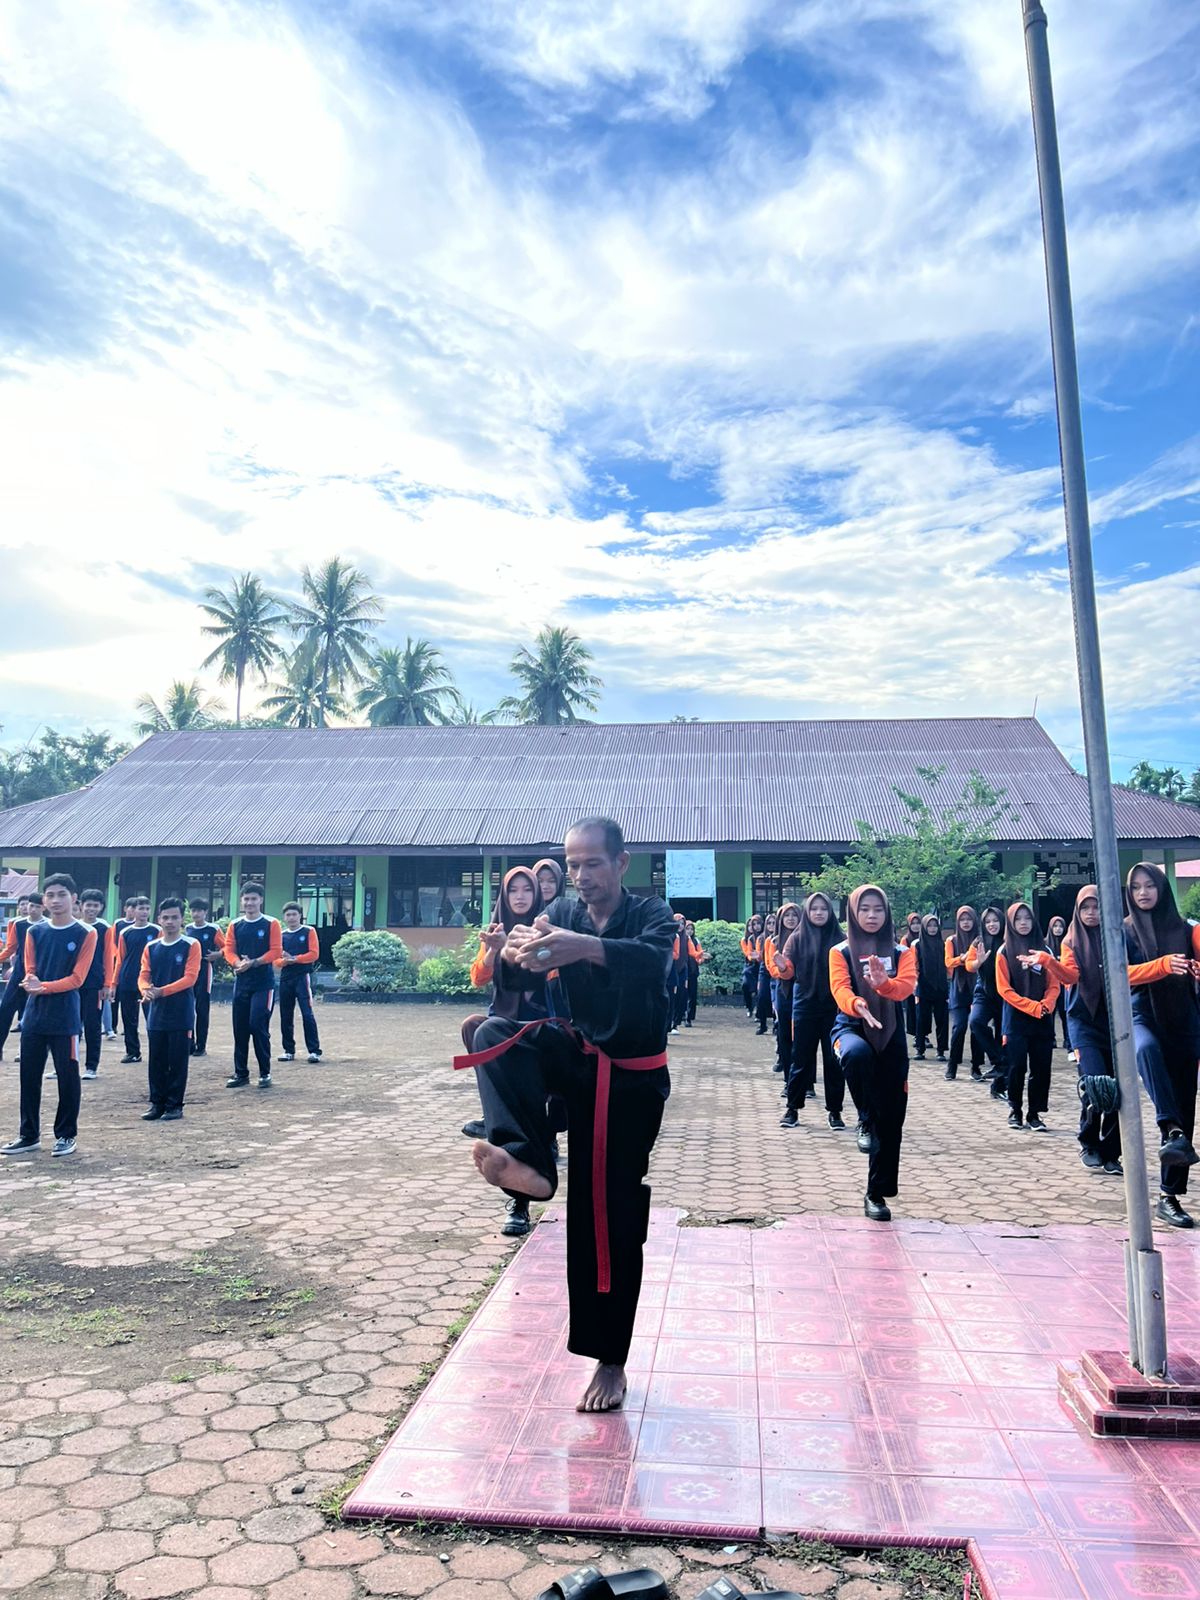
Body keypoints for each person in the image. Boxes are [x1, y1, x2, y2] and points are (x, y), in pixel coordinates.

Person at [461, 816, 675, 1413]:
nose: (581, 877)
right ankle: (529, 1161)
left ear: (621, 863)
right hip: (580, 1063)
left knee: (604, 1213)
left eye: (592, 865)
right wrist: (512, 952)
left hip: (632, 1083)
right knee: (496, 1030)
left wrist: (581, 947)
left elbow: (652, 962)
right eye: (572, 865)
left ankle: (611, 1359)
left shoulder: (651, 915)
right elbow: (518, 977)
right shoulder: (568, 917)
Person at [467, 866, 554, 1238]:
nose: (520, 896)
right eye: (513, 890)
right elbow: (478, 978)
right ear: (504, 895)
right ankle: (518, 1201)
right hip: (500, 1028)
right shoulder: (494, 930)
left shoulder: (549, 927)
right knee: (475, 1027)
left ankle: (525, 1190)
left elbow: (553, 976)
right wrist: (492, 951)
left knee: (528, 1111)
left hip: (539, 1030)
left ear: (537, 894)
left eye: (527, 889)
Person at [828, 885, 917, 1221]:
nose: (871, 915)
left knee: (891, 1119)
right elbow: (839, 988)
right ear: (853, 912)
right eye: (864, 909)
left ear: (887, 913)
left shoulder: (902, 951)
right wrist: (859, 1004)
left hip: (891, 1034)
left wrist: (883, 984)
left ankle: (875, 1194)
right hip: (850, 1025)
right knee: (856, 1055)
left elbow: (905, 987)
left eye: (878, 909)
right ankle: (863, 1118)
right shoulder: (840, 951)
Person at [1123, 862, 1200, 1228]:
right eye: (1136, 887)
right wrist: (1162, 965)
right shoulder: (1124, 931)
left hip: (1184, 1019)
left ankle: (1168, 1198)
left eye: (1149, 885)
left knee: (1186, 1107)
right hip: (1143, 1016)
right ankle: (1170, 1127)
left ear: (1162, 888)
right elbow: (1119, 974)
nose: (1143, 893)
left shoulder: (1186, 930)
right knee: (1145, 1050)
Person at [1, 873, 96, 1158]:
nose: (55, 900)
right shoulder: (34, 932)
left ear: (74, 898)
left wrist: (42, 987)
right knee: (29, 1075)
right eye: (50, 895)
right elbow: (30, 967)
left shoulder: (86, 933)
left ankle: (66, 1134)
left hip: (65, 1017)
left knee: (68, 1076)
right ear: (43, 900)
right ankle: (28, 1135)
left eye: (61, 895)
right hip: (34, 1016)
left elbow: (77, 979)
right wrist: (32, 981)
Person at [1040, 886, 1122, 1175]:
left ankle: (1112, 1152)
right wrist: (1048, 961)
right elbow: (1071, 976)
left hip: (1116, 1020)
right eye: (1085, 908)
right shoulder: (1070, 941)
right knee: (1097, 1083)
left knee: (1118, 1088)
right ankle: (1088, 1141)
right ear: (1078, 910)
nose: (1091, 913)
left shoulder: (1117, 936)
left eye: (1096, 907)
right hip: (1083, 1020)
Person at [779, 892, 845, 1129]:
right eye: (814, 908)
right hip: (805, 1005)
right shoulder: (796, 938)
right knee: (801, 1058)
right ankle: (792, 1109)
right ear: (807, 911)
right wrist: (781, 967)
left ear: (831, 912)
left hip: (834, 1007)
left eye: (823, 909)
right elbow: (787, 971)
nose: (818, 913)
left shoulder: (841, 938)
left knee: (834, 1060)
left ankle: (835, 1112)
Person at [996, 902, 1060, 1132]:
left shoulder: (1046, 951)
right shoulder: (1003, 952)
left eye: (1027, 918)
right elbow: (1004, 989)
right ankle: (1015, 1110)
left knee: (1041, 1068)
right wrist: (1031, 1006)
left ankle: (1035, 1114)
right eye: (1018, 919)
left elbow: (1054, 984)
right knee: (1017, 1066)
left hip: (1043, 1017)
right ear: (1011, 923)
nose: (1023, 923)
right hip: (1015, 1019)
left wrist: (1047, 1004)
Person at [139, 897, 201, 1121]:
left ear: (181, 919)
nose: (170, 922)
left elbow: (190, 978)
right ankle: (157, 1103)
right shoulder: (151, 947)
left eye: (174, 917)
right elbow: (144, 975)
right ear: (159, 920)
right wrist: (146, 990)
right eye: (165, 918)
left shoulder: (191, 945)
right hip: (156, 1012)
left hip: (181, 1012)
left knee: (177, 1060)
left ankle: (175, 1105)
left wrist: (161, 991)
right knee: (156, 1059)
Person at [223, 883, 283, 1088]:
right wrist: (237, 963)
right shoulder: (235, 924)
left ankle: (265, 1073)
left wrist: (254, 962)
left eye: (253, 899)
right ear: (241, 901)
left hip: (263, 984)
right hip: (241, 983)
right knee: (239, 1029)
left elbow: (276, 951)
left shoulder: (271, 923)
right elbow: (228, 950)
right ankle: (241, 1073)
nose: (249, 903)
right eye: (246, 899)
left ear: (261, 900)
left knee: (257, 1025)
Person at [112, 898, 160, 1064]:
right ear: (133, 910)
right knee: (128, 1018)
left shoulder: (156, 931)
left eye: (147, 908)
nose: (144, 911)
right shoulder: (125, 932)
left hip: (148, 981)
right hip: (127, 979)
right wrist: (114, 983)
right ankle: (133, 1052)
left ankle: (157, 1051)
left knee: (152, 1017)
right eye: (141, 908)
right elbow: (120, 959)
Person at [967, 906, 1007, 1098]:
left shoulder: (1009, 940)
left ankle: (998, 1088)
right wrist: (979, 962)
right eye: (988, 921)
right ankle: (997, 1061)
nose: (992, 924)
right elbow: (969, 966)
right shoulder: (978, 941)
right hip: (983, 992)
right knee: (975, 1022)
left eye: (995, 920)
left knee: (1003, 1038)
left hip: (1006, 995)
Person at [276, 902, 322, 1063]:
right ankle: (288, 1050)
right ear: (284, 917)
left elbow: (314, 954)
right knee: (285, 1015)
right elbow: (276, 959)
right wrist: (284, 962)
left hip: (303, 977)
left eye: (294, 914)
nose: (291, 918)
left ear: (300, 915)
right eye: (288, 915)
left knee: (307, 1014)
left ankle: (314, 1051)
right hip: (285, 978)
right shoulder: (281, 935)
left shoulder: (309, 931)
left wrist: (295, 959)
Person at [0, 892, 42, 1060]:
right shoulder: (18, 924)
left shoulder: (46, 926)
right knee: (5, 1009)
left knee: (29, 1013)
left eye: (36, 906)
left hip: (38, 974)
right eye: (29, 905)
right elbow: (10, 948)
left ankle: (23, 1050)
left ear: (43, 908)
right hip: (19, 972)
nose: (31, 909)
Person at [945, 906, 984, 1082]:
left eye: (969, 919)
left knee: (976, 1027)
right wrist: (963, 958)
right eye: (962, 920)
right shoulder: (951, 940)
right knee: (959, 1027)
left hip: (977, 987)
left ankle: (976, 1067)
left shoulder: (980, 940)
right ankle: (952, 1066)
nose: (966, 923)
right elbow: (948, 962)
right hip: (959, 989)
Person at [76, 889, 111, 1080]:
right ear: (81, 905)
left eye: (95, 905)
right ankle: (65, 1064)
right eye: (88, 904)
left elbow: (108, 958)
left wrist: (107, 984)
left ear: (101, 907)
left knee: (92, 1025)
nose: (91, 909)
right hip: (73, 983)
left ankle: (91, 1066)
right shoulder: (75, 927)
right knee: (70, 1025)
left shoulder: (105, 928)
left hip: (94, 984)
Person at [766, 902, 802, 1073]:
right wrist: (784, 970)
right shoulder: (773, 941)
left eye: (794, 915)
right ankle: (788, 1078)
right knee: (785, 1031)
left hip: (804, 989)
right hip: (784, 989)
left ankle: (807, 1082)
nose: (790, 919)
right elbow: (771, 968)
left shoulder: (805, 939)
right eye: (786, 915)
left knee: (804, 1035)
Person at [186, 899, 225, 1057]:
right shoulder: (188, 929)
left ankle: (201, 1045)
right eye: (193, 910)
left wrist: (218, 954)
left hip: (205, 969)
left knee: (202, 1008)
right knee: (187, 1006)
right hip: (189, 970)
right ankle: (190, 1043)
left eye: (199, 911)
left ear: (205, 912)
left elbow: (227, 947)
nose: (196, 914)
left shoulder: (213, 928)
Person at [914, 913, 950, 1067]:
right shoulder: (917, 945)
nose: (932, 928)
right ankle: (920, 1049)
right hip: (923, 986)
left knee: (942, 1020)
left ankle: (941, 1050)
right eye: (929, 925)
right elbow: (914, 965)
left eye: (935, 925)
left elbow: (947, 964)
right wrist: (914, 985)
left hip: (941, 987)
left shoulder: (942, 944)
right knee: (922, 1019)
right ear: (924, 927)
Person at [1045, 914, 1071, 1050]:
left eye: (1060, 926)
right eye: (1055, 926)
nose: (1058, 929)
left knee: (1065, 1013)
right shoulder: (1045, 944)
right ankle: (1051, 1038)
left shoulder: (1067, 944)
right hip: (1050, 986)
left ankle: (1068, 1040)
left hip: (1064, 985)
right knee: (1049, 1013)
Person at [755, 912, 778, 1036]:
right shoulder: (762, 938)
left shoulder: (782, 937)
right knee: (762, 996)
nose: (771, 925)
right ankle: (762, 1024)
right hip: (764, 968)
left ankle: (776, 1024)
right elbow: (759, 955)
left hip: (777, 969)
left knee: (776, 998)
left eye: (774, 923)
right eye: (769, 923)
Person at [900, 912, 922, 1036]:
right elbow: (903, 958)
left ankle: (922, 1034)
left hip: (923, 976)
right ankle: (914, 1033)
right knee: (911, 1007)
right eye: (913, 923)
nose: (916, 926)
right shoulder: (906, 939)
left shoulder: (925, 937)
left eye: (918, 923)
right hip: (910, 976)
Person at [669, 911, 689, 1033]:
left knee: (681, 995)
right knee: (671, 998)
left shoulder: (686, 938)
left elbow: (691, 952)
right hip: (670, 969)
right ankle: (669, 1024)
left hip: (682, 969)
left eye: (682, 923)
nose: (680, 926)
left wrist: (700, 955)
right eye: (678, 923)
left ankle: (675, 1023)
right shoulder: (669, 936)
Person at [740, 914, 763, 1017]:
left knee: (760, 990)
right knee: (745, 985)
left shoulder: (763, 937)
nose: (752, 927)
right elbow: (747, 953)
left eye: (756, 924)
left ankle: (759, 1012)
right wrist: (753, 956)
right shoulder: (746, 940)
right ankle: (749, 1007)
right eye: (750, 925)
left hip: (760, 965)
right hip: (750, 966)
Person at [684, 920, 705, 1026]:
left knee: (692, 994)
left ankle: (690, 1015)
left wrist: (700, 960)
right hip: (683, 970)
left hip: (693, 971)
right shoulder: (681, 940)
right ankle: (683, 1014)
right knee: (683, 994)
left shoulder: (696, 940)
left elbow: (699, 954)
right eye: (687, 929)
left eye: (691, 929)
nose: (690, 931)